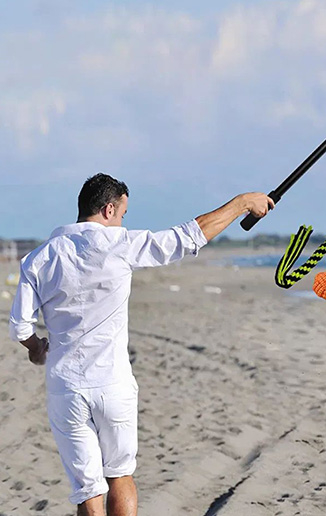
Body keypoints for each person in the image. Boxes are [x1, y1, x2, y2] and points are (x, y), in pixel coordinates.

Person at [9, 173, 274, 516]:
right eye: (122, 214)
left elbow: (21, 327)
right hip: (112, 383)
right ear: (108, 210)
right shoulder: (119, 244)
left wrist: (36, 348)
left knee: (87, 489)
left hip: (66, 387)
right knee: (120, 475)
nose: (122, 222)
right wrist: (241, 203)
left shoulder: (39, 258)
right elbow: (188, 237)